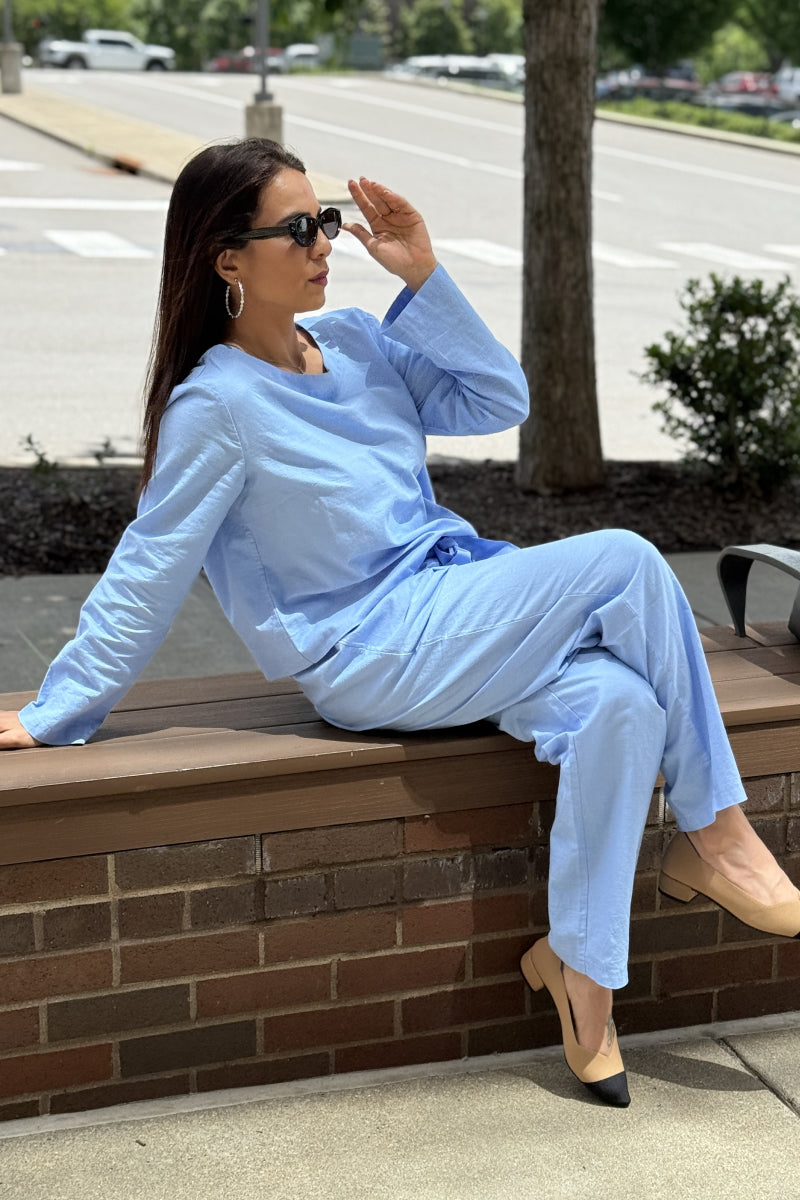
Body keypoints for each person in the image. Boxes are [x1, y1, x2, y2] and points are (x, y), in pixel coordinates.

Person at [1, 138, 798, 1108]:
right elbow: (149, 567)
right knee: (626, 563)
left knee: (619, 705)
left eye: (325, 219)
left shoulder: (359, 342)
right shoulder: (216, 407)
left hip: (453, 602)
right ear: (226, 259)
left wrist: (422, 273)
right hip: (370, 652)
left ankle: (580, 976)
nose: (323, 242)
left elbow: (497, 398)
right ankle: (714, 834)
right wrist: (60, 707)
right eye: (297, 229)